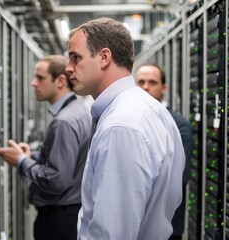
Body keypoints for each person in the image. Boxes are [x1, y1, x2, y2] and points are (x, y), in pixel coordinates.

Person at [65, 17, 185, 240]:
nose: (68, 67)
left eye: (75, 57)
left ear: (104, 57)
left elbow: (112, 233)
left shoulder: (120, 126)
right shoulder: (151, 110)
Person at [0, 55, 91, 240]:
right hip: (71, 214)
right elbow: (68, 159)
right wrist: (33, 156)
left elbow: (56, 180)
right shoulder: (77, 112)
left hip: (58, 220)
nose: (33, 83)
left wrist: (21, 161)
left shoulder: (63, 122)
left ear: (60, 81)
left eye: (40, 78)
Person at [136, 63, 193, 240]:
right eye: (141, 82)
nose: (146, 87)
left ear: (164, 87)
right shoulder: (132, 121)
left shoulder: (179, 125)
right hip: (136, 221)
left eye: (152, 82)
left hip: (166, 224)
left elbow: (179, 176)